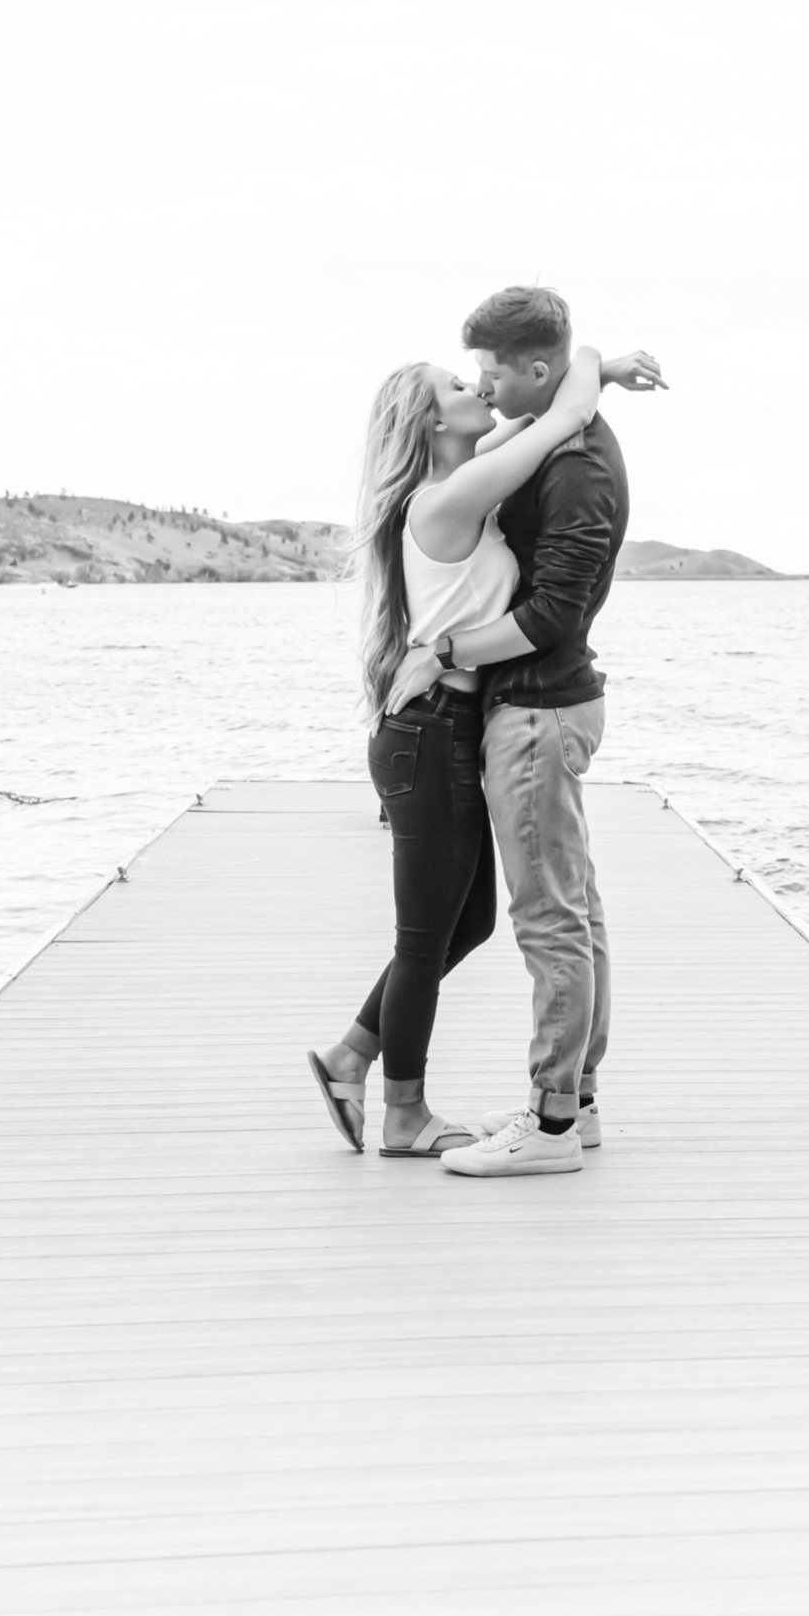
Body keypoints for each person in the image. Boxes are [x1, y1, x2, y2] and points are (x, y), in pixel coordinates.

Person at [308, 334, 662, 1157]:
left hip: (446, 727)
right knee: (426, 936)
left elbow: (548, 408)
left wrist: (596, 364)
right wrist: (595, 363)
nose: (477, 387)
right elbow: (562, 412)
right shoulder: (448, 497)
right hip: (428, 733)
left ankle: (349, 1057)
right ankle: (402, 1115)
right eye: (457, 384)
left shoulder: (461, 474)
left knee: (464, 925)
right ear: (432, 425)